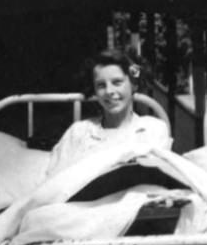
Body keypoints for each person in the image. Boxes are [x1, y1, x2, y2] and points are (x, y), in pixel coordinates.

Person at [45, 48, 172, 179]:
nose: (109, 91)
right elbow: (54, 183)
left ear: (133, 85)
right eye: (101, 85)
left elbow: (157, 179)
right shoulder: (79, 132)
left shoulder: (152, 129)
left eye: (117, 82)